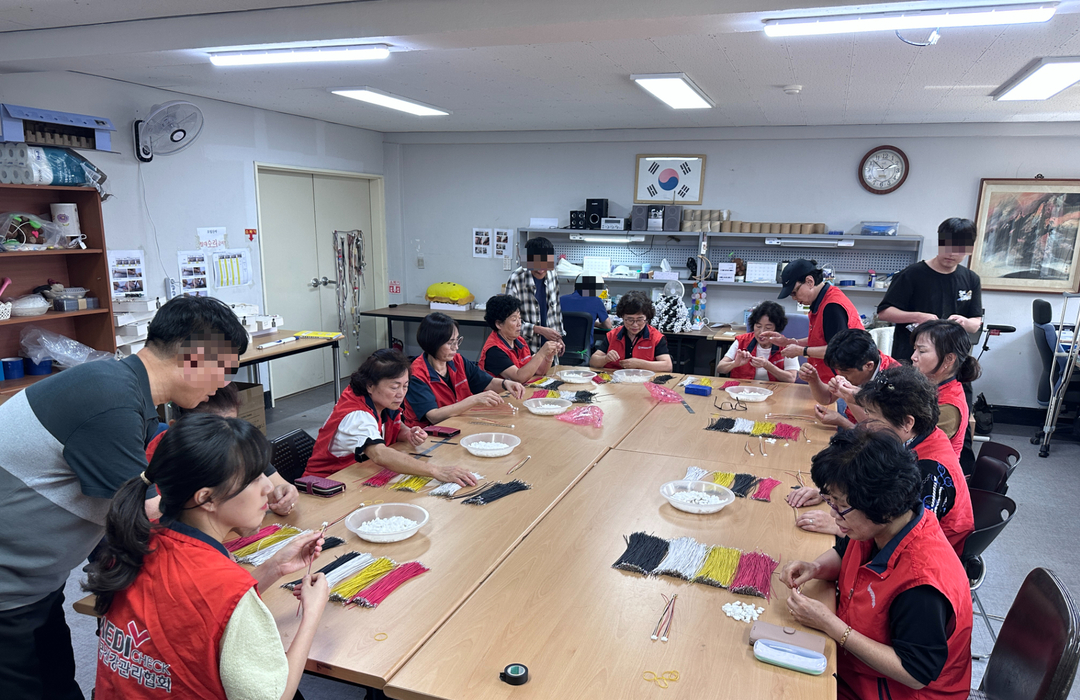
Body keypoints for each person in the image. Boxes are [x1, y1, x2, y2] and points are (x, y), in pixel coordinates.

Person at [0, 294, 247, 700]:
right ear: (194, 357)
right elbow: (145, 512)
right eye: (224, 369)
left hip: (34, 582)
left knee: (57, 682)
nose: (223, 383)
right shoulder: (109, 398)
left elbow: (169, 471)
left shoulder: (127, 391)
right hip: (9, 588)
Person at [85, 414, 328, 700]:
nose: (268, 487)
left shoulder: (138, 543)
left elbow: (203, 613)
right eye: (253, 478)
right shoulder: (224, 585)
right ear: (206, 498)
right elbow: (277, 696)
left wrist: (275, 567)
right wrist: (312, 613)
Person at [781, 427, 973, 700]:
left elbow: (915, 673)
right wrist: (815, 568)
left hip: (897, 692)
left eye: (840, 506)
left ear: (882, 507)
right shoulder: (883, 525)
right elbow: (845, 554)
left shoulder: (921, 584)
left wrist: (831, 625)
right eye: (830, 502)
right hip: (857, 671)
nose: (833, 515)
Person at [790, 366, 974, 556]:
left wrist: (838, 526)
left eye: (873, 418)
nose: (866, 425)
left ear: (907, 422)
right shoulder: (920, 436)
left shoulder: (929, 471)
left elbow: (910, 541)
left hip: (925, 557)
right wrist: (836, 494)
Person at [304, 349, 477, 486]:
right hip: (326, 486)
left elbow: (392, 425)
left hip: (357, 474)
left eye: (405, 386)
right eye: (395, 387)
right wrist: (436, 471)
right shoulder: (356, 415)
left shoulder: (382, 400)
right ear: (370, 385)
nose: (401, 393)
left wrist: (407, 433)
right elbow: (380, 454)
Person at [145, 383, 300, 516]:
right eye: (213, 433)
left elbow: (276, 490)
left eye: (233, 426)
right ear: (177, 430)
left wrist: (284, 498)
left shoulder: (237, 442)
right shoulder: (153, 465)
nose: (227, 440)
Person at [877, 218, 983, 364]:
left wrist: (964, 322)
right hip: (911, 357)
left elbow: (975, 323)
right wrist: (918, 317)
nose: (951, 253)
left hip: (950, 359)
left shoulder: (971, 279)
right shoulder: (912, 274)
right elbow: (884, 313)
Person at [404, 312, 526, 427]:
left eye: (457, 341)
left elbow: (487, 382)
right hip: (427, 433)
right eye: (450, 343)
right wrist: (474, 399)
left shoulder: (458, 361)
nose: (456, 347)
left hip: (458, 423)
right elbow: (434, 416)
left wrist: (506, 383)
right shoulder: (416, 375)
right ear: (433, 343)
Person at [760, 258, 864, 383]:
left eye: (794, 292)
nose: (794, 298)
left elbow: (838, 350)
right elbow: (821, 339)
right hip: (830, 379)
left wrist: (801, 351)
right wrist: (790, 342)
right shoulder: (820, 302)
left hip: (845, 379)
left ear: (810, 281)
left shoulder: (832, 307)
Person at [801, 328, 902, 429]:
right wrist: (813, 380)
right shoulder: (856, 364)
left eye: (846, 372)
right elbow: (827, 398)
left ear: (869, 366)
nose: (841, 375)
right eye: (838, 370)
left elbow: (876, 431)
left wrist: (842, 421)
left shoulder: (894, 381)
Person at [911, 320, 982, 458]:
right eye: (915, 349)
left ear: (949, 359)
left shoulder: (949, 406)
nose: (913, 357)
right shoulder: (931, 386)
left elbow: (907, 445)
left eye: (922, 351)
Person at [504, 236, 565, 353]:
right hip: (525, 347)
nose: (541, 269)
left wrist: (558, 337)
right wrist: (539, 330)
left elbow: (556, 310)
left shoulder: (552, 274)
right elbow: (508, 321)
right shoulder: (516, 279)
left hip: (550, 346)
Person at [479, 294, 560, 382]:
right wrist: (541, 353)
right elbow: (518, 377)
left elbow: (540, 371)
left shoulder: (519, 341)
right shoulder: (494, 350)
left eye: (519, 318)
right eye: (514, 320)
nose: (519, 323)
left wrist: (549, 355)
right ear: (499, 324)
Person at [590, 291, 673, 372]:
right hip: (614, 378)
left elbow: (668, 366)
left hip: (643, 379)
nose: (635, 325)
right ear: (622, 317)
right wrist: (605, 359)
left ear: (647, 318)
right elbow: (593, 361)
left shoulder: (656, 337)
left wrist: (640, 364)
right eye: (630, 320)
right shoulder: (613, 335)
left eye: (640, 320)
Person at [715, 300, 798, 382]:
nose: (762, 332)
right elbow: (720, 368)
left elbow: (791, 378)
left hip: (774, 389)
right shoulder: (742, 341)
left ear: (777, 329)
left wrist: (768, 366)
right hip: (743, 389)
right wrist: (734, 364)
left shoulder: (786, 345)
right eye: (758, 326)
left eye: (768, 328)